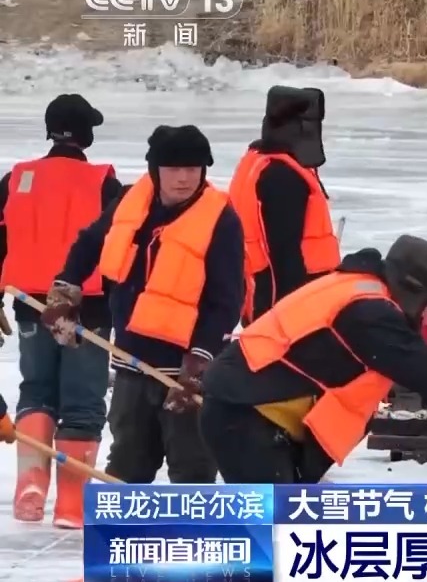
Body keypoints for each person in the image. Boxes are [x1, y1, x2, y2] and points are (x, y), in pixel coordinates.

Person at [198, 235, 427, 483]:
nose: (426, 311)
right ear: (411, 289)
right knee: (272, 533)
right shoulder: (369, 311)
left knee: (281, 531)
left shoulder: (354, 287)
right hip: (246, 416)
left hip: (249, 410)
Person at [42, 124, 245, 497]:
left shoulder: (222, 219)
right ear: (155, 170)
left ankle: (192, 533)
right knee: (127, 467)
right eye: (173, 169)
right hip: (131, 365)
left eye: (193, 169)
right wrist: (65, 290)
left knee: (193, 468)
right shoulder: (130, 202)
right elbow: (89, 243)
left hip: (186, 372)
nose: (184, 178)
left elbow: (227, 299)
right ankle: (123, 532)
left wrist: (200, 361)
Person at [0, 94, 122, 527]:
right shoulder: (103, 183)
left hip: (30, 306)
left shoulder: (16, 178)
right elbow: (119, 250)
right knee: (83, 402)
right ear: (86, 136)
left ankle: (30, 487)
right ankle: (71, 506)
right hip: (88, 309)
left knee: (36, 391)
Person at [228, 86, 340, 324]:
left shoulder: (258, 160)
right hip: (288, 305)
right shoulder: (282, 175)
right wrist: (294, 312)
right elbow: (284, 253)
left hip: (261, 296)